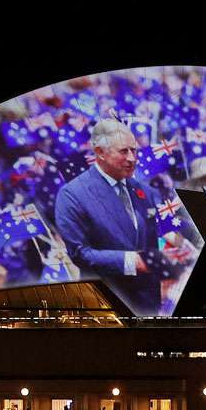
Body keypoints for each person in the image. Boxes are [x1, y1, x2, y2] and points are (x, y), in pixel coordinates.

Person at [54, 118, 162, 314]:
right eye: (124, 151)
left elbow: (159, 235)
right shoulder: (72, 194)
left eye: (134, 150)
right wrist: (131, 261)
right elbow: (79, 253)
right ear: (99, 153)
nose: (132, 158)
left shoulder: (144, 190)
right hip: (107, 305)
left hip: (150, 304)